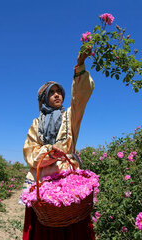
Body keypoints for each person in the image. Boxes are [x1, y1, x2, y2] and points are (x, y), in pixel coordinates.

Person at [21, 46, 95, 240]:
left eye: (59, 91)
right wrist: (49, 152)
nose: (57, 95)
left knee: (73, 227)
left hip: (68, 179)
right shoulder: (36, 124)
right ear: (44, 98)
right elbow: (30, 153)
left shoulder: (70, 116)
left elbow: (80, 98)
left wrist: (79, 66)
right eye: (51, 92)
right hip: (44, 183)